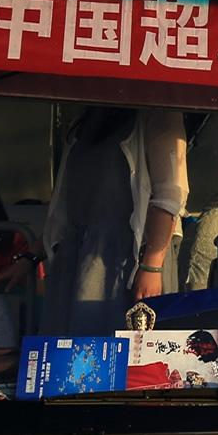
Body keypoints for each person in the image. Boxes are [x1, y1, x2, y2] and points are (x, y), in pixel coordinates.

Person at [42, 107, 188, 336]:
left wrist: (152, 265)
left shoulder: (158, 111)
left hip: (125, 261)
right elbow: (65, 208)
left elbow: (170, 194)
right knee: (70, 347)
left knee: (121, 346)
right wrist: (30, 257)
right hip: (76, 259)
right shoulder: (81, 121)